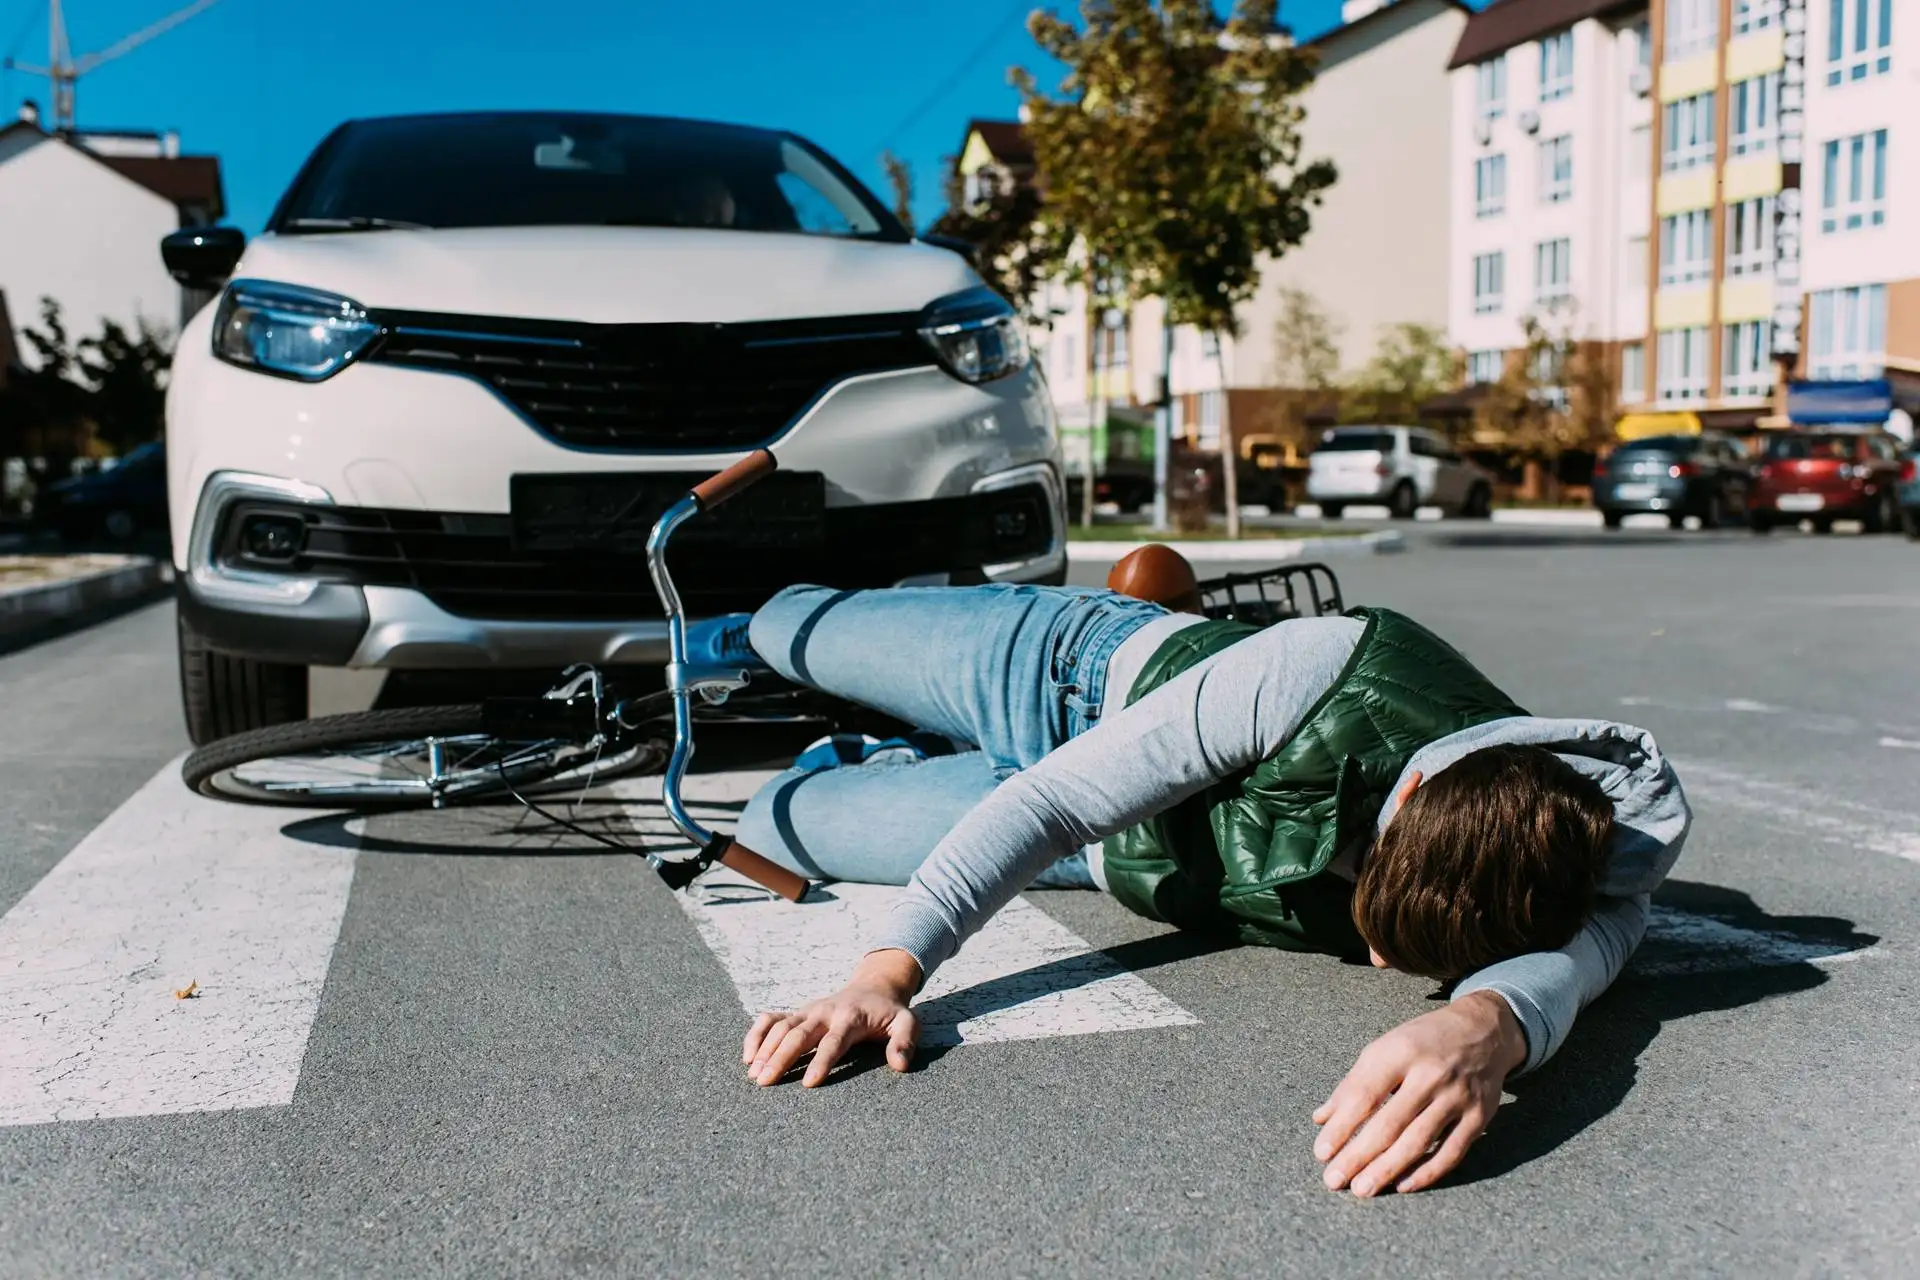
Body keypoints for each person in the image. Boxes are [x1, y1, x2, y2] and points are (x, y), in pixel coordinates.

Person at [690, 569, 1689, 1197]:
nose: (1378, 957)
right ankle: (719, 640)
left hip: (1111, 849)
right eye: (1377, 912)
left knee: (782, 818)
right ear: (1413, 783)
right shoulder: (1334, 666)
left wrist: (1488, 1026)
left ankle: (886, 752)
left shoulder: (1588, 860)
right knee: (790, 626)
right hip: (1065, 679)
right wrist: (881, 977)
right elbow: (1048, 804)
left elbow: (1582, 956)